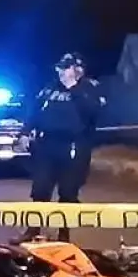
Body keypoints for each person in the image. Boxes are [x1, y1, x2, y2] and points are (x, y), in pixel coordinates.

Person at [20, 53, 106, 240]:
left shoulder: (89, 89)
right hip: (47, 144)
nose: (59, 72)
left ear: (77, 69)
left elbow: (93, 112)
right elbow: (34, 110)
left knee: (68, 192)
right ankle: (32, 230)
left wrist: (73, 88)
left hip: (74, 147)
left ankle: (64, 235)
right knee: (40, 189)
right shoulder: (50, 88)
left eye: (64, 68)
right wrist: (25, 132)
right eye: (59, 67)